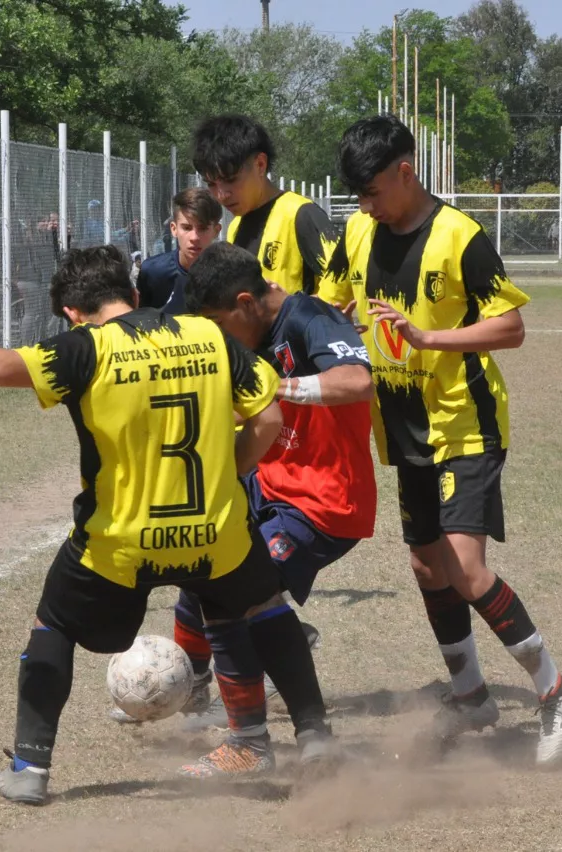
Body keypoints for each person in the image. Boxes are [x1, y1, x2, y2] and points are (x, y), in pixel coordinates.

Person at [0, 244, 336, 804]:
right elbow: (268, 417)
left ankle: (30, 769)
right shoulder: (209, 336)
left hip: (119, 544)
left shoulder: (85, 348)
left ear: (72, 313)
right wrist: (231, 471)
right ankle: (314, 737)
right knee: (263, 606)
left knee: (53, 625)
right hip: (215, 533)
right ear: (134, 294)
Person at [326, 115, 562, 765]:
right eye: (358, 196)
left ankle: (556, 689)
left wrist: (429, 337)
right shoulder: (357, 232)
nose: (366, 207)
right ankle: (471, 696)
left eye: (373, 193)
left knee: (465, 568)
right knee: (425, 565)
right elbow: (329, 303)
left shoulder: (459, 236)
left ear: (405, 172)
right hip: (402, 423)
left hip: (464, 421)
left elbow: (511, 327)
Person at [159, 241, 375, 777]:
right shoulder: (248, 332)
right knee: (205, 571)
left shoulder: (311, 317)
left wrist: (275, 387)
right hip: (268, 488)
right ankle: (274, 723)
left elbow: (357, 381)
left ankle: (252, 743)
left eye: (218, 323)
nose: (219, 336)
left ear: (245, 302)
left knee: (235, 591)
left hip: (322, 501)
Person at [192, 115, 339, 300]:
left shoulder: (300, 214)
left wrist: (292, 306)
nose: (222, 195)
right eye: (211, 184)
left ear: (260, 164)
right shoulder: (235, 226)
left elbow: (343, 282)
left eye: (231, 180)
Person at [134, 187, 222, 315]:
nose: (194, 237)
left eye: (203, 228)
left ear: (216, 231)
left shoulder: (229, 275)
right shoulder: (152, 272)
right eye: (187, 228)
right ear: (174, 229)